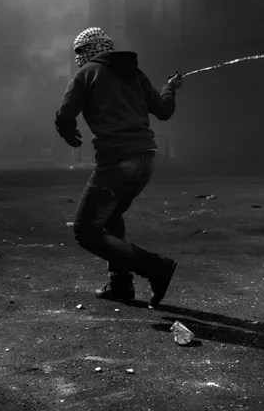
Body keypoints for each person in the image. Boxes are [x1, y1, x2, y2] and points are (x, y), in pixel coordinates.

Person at [55, 27, 183, 308]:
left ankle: (155, 268)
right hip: (146, 160)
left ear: (90, 50)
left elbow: (65, 113)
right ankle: (121, 285)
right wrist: (170, 88)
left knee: (86, 231)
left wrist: (68, 132)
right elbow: (164, 110)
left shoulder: (87, 72)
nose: (79, 57)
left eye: (81, 51)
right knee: (111, 217)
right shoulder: (134, 73)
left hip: (117, 162)